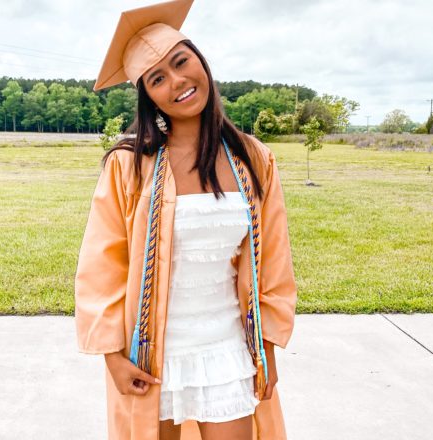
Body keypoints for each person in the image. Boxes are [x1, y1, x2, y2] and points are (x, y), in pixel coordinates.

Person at [74, 1, 297, 439]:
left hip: (228, 349)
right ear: (148, 96)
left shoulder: (253, 159)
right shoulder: (130, 166)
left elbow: (273, 261)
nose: (177, 81)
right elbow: (102, 267)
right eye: (157, 78)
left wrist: (267, 348)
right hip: (151, 352)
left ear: (200, 61)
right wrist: (112, 356)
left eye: (181, 62)